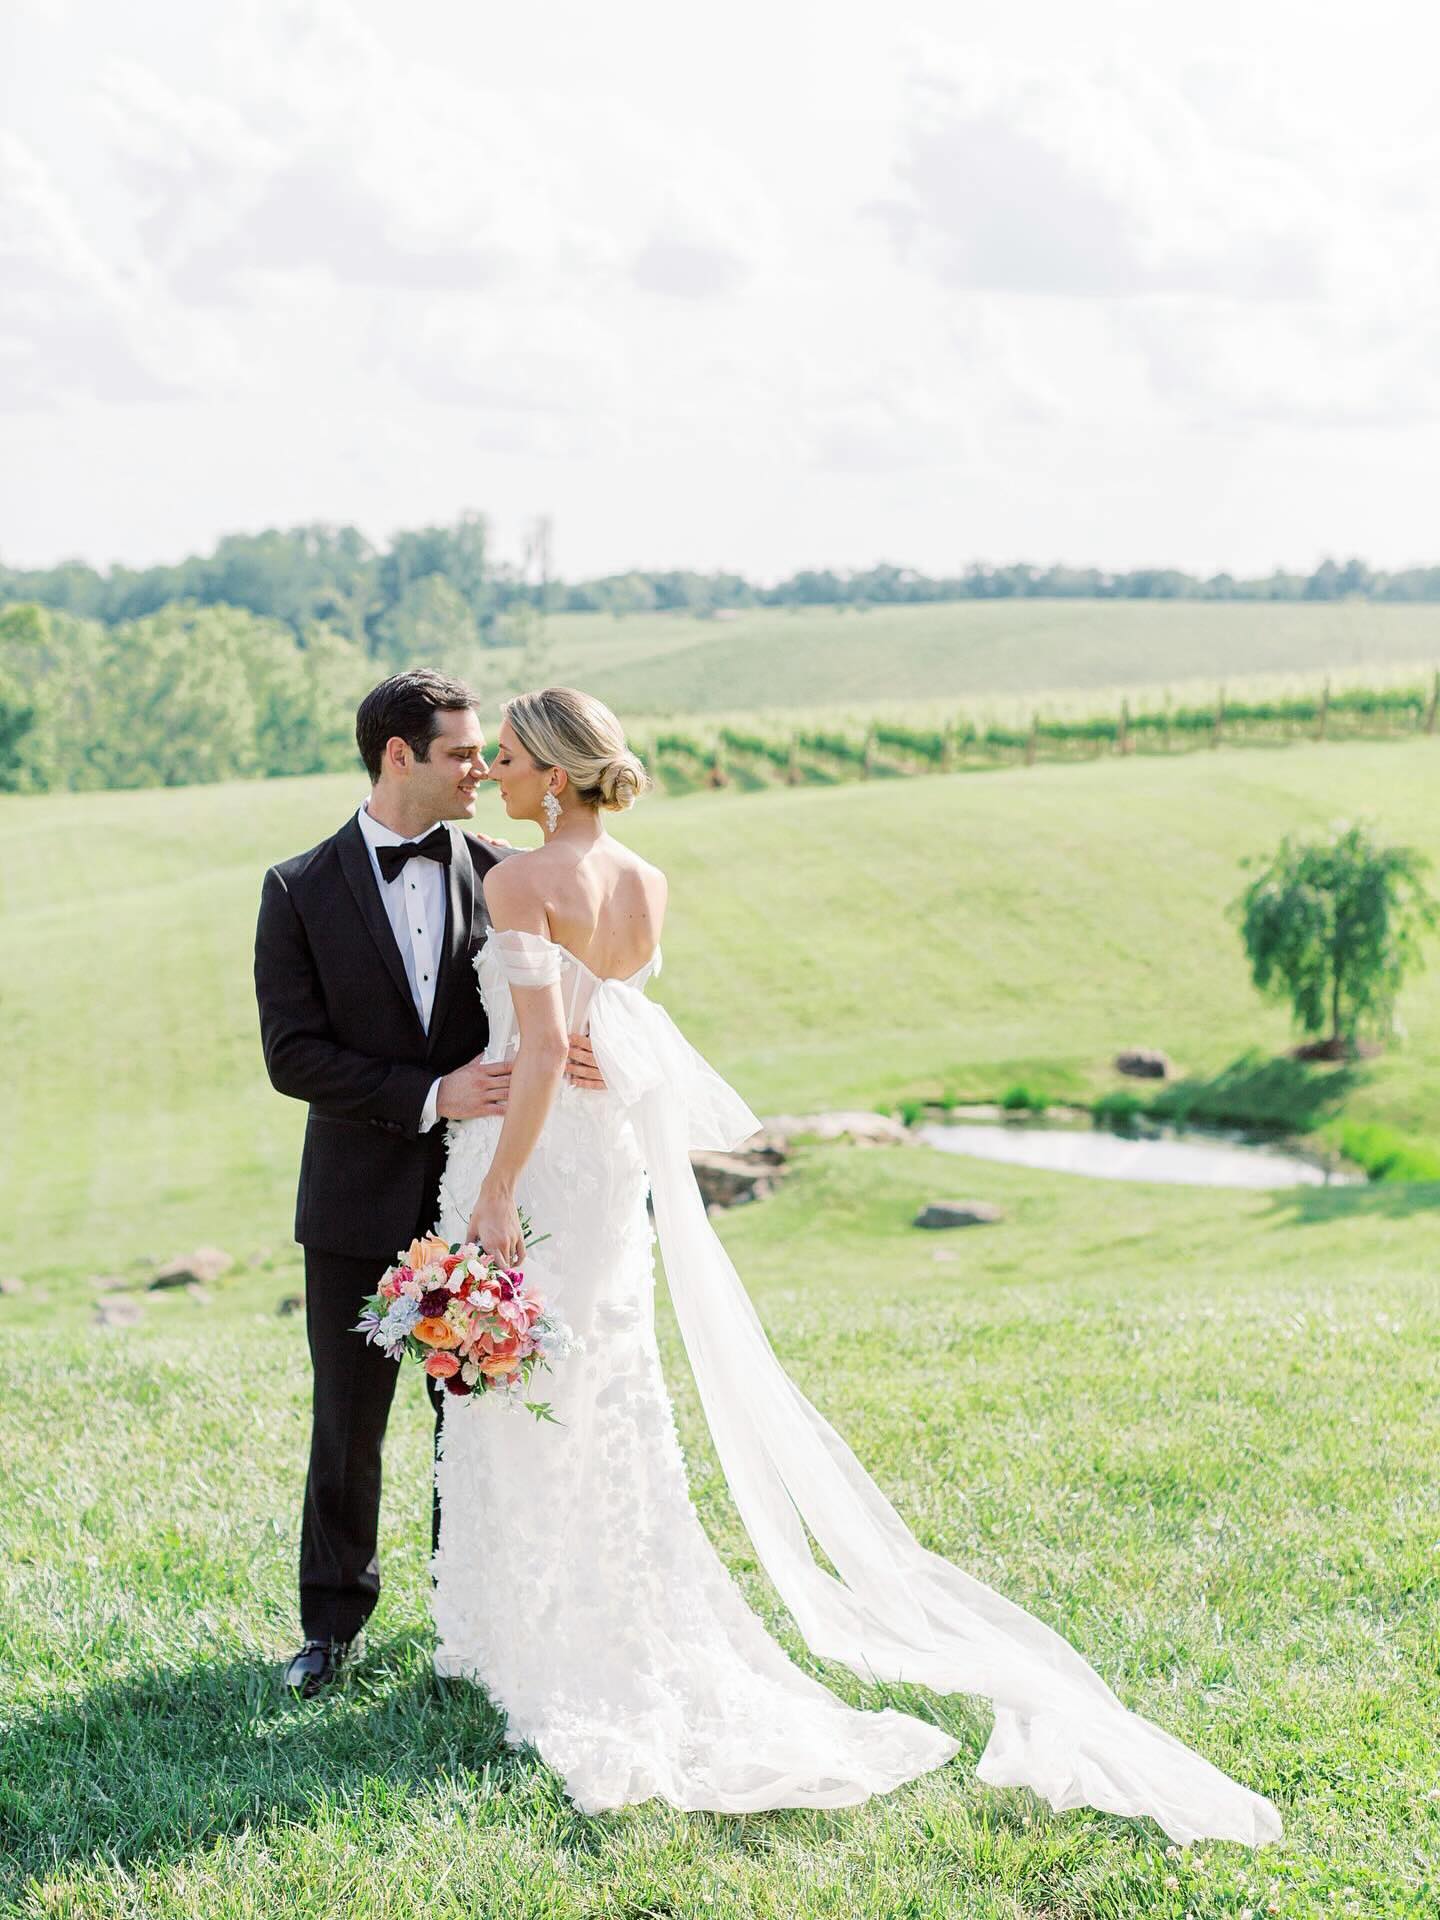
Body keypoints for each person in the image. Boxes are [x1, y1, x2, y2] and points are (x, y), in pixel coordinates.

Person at [428, 686, 1283, 1841]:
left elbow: (538, 1060)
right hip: (609, 1169)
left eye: (516, 760)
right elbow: (609, 1027)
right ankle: (576, 1612)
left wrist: (489, 1192)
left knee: (539, 1384)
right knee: (605, 1386)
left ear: (561, 773)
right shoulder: (646, 883)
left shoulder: (519, 882)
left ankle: (531, 1637)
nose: (499, 779)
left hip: (538, 1166)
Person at [253, 670, 603, 1697]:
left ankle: (468, 1614)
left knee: (478, 1421)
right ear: (396, 755)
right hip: (355, 1197)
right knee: (348, 1423)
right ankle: (330, 1629)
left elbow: (576, 1008)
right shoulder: (296, 889)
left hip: (477, 1196)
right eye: (460, 754)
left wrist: (588, 1053)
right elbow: (292, 1057)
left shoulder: (507, 871)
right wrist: (428, 1092)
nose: (480, 772)